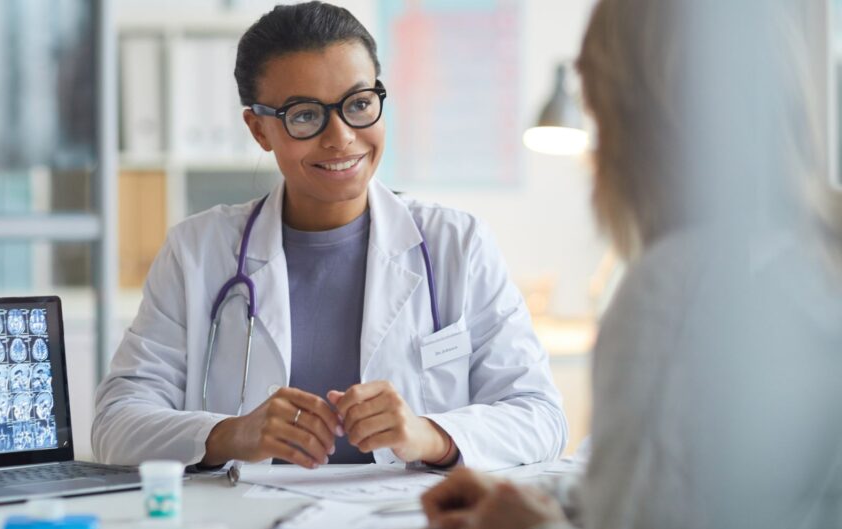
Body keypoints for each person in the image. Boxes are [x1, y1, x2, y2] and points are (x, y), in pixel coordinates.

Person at [422, 0, 842, 529]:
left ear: (629, 113)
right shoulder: (815, 247)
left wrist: (529, 527)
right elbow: (704, 491)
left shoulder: (675, 291)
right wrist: (548, 496)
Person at [92, 1, 567, 471]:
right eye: (304, 115)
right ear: (259, 130)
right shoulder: (197, 252)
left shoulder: (456, 244)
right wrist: (231, 434)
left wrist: (431, 435)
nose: (340, 136)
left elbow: (540, 416)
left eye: (359, 104)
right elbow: (116, 423)